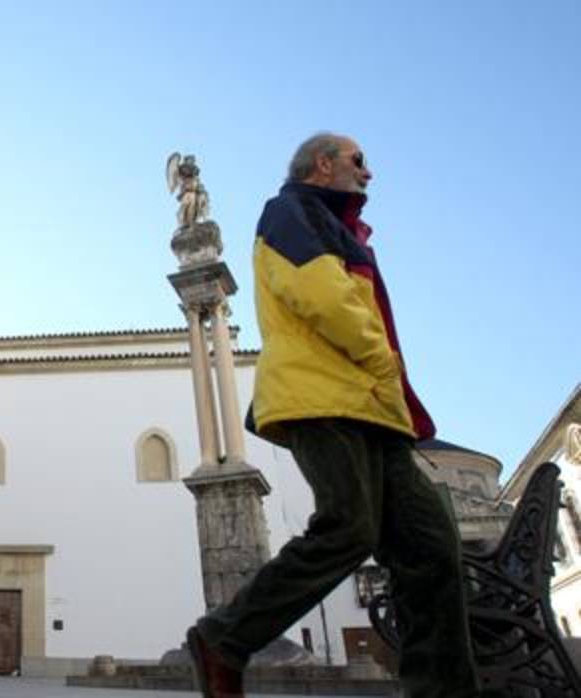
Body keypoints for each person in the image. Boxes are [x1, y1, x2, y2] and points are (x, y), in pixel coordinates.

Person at [186, 133, 479, 698]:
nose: (369, 174)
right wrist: (381, 359)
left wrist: (387, 385)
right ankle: (224, 637)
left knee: (432, 546)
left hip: (372, 408)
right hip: (323, 396)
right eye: (359, 161)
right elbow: (319, 293)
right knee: (349, 526)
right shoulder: (290, 211)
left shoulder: (339, 227)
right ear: (323, 165)